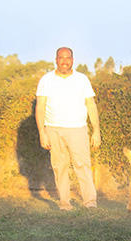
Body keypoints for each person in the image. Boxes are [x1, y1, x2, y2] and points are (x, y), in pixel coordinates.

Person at [35, 47, 101, 210]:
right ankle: (65, 203)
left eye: (68, 58)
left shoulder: (82, 79)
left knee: (83, 165)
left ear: (73, 60)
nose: (64, 61)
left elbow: (91, 105)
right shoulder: (46, 80)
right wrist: (42, 133)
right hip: (53, 129)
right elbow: (40, 108)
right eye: (61, 57)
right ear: (56, 60)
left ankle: (90, 202)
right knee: (60, 167)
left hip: (78, 129)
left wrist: (96, 131)